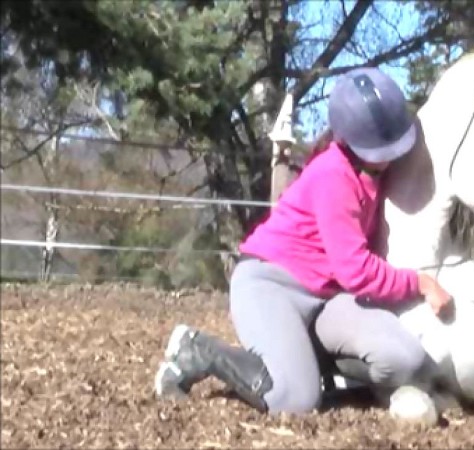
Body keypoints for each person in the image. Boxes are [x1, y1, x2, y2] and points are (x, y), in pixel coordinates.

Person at [153, 67, 453, 414]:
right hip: (270, 284)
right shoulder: (334, 174)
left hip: (326, 297)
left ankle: (302, 359)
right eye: (380, 147)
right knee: (293, 399)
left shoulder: (375, 171)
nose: (391, 154)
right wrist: (419, 283)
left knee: (405, 359)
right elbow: (356, 270)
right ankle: (200, 350)